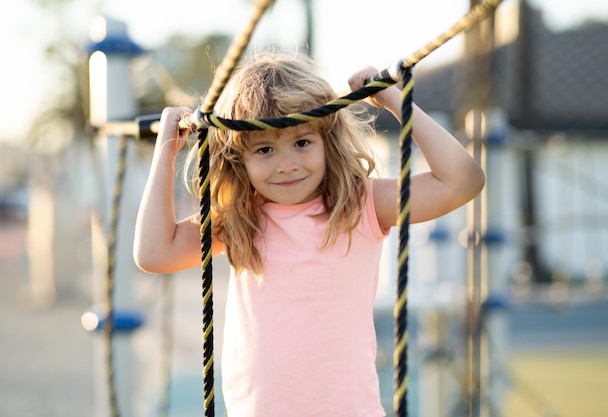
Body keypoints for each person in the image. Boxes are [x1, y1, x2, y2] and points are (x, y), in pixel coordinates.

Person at [134, 51, 484, 417]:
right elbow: (155, 254)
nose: (287, 165)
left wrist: (393, 99)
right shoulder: (241, 218)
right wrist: (167, 151)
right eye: (265, 149)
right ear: (240, 158)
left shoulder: (359, 204)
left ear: (325, 139)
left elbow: (462, 182)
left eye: (302, 143)